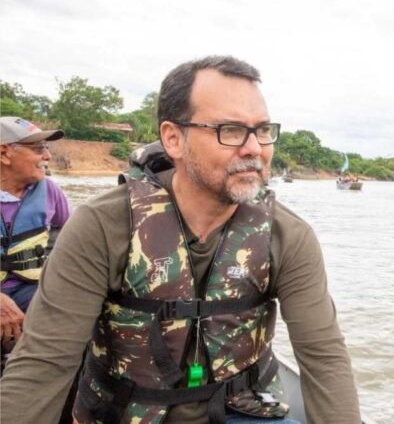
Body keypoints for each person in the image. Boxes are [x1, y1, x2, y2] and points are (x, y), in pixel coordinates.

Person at [0, 56, 360, 424]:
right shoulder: (102, 226)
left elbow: (323, 356)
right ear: (173, 138)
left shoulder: (288, 235)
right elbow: (45, 361)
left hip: (241, 411)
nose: (255, 148)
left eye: (263, 130)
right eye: (231, 129)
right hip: (125, 412)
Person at [0, 116, 71, 361]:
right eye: (38, 149)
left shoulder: (51, 191)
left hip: (31, 293)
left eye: (46, 149)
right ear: (4, 154)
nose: (47, 157)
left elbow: (73, 246)